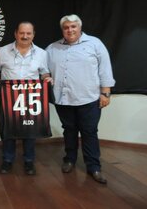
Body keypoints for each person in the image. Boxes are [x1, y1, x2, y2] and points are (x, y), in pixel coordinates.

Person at [45, 14, 115, 184]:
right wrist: (46, 76)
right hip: (63, 99)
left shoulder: (95, 44)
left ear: (80, 27)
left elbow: (105, 69)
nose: (70, 30)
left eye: (73, 26)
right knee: (68, 130)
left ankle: (94, 167)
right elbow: (44, 69)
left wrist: (105, 93)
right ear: (62, 30)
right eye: (66, 27)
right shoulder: (52, 48)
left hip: (89, 98)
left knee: (89, 131)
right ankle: (69, 160)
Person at [0, 21, 50, 175]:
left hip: (31, 100)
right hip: (9, 98)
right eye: (22, 33)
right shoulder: (2, 51)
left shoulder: (42, 53)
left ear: (33, 35)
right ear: (16, 33)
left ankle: (29, 161)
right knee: (9, 130)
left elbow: (44, 73)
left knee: (30, 131)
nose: (25, 36)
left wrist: (47, 78)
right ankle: (7, 160)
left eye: (28, 33)